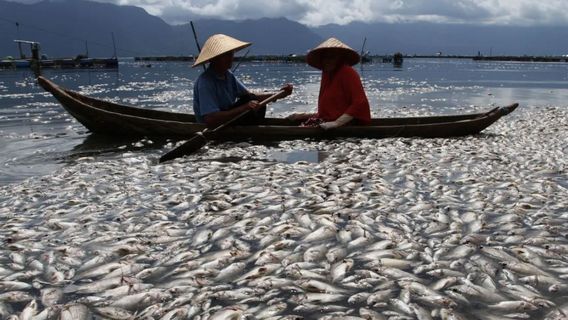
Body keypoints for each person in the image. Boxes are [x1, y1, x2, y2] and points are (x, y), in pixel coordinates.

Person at [192, 34, 293, 128]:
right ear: (213, 59)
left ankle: (253, 130)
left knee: (253, 100)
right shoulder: (205, 82)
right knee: (250, 102)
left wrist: (280, 94)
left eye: (231, 54)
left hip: (227, 121)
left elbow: (250, 96)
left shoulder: (228, 75)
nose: (230, 58)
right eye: (225, 55)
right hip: (215, 125)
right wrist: (244, 108)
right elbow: (210, 119)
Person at [288, 37, 371, 129]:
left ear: (340, 58)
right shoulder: (327, 74)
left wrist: (337, 123)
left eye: (331, 57)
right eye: (324, 58)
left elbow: (360, 102)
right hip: (329, 121)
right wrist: (302, 115)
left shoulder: (347, 72)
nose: (327, 61)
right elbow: (327, 113)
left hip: (350, 123)